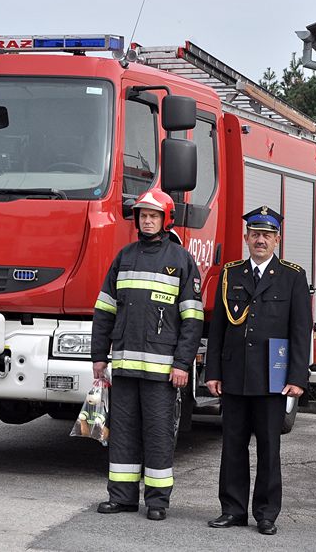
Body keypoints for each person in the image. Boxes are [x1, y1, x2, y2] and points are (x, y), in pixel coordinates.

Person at [91, 188, 204, 521]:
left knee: (157, 434)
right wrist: (99, 356)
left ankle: (157, 502)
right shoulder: (124, 257)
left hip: (161, 371)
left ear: (165, 219)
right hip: (124, 367)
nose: (148, 220)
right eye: (143, 215)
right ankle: (123, 497)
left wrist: (183, 363)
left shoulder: (181, 260)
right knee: (122, 432)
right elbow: (104, 310)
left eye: (154, 215)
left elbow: (192, 319)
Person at [204, 205, 311, 536]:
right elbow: (218, 327)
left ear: (277, 239)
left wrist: (296, 378)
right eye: (255, 234)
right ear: (246, 237)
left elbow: (300, 330)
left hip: (272, 379)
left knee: (269, 448)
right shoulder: (231, 273)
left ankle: (266, 513)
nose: (260, 240)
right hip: (235, 376)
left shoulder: (293, 276)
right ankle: (233, 510)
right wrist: (213, 371)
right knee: (232, 446)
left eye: (267, 235)